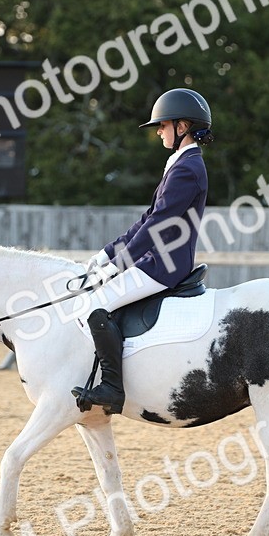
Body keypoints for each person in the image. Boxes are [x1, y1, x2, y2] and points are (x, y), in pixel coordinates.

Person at [71, 87, 214, 414]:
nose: (159, 131)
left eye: (163, 125)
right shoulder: (180, 164)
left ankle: (111, 388)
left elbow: (159, 224)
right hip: (155, 260)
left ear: (182, 127)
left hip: (165, 265)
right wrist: (107, 254)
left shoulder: (188, 168)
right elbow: (147, 220)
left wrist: (118, 265)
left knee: (96, 305)